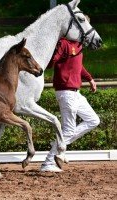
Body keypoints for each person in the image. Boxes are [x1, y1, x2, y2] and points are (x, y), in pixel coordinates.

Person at [41, 37, 100, 172]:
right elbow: (52, 61)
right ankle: (48, 163)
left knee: (93, 120)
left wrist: (90, 78)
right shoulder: (64, 43)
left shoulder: (78, 46)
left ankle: (60, 144)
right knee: (69, 130)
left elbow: (78, 66)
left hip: (76, 93)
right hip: (66, 92)